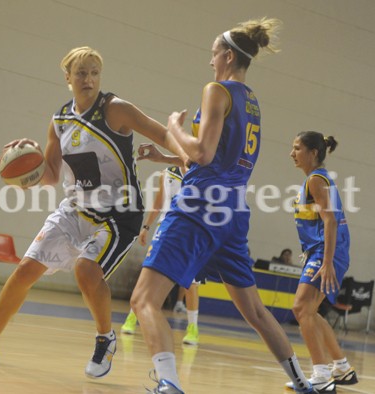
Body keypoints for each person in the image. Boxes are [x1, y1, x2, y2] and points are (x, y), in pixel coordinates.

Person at [0, 46, 185, 379]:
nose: (88, 79)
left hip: (119, 214)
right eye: (81, 73)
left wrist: (186, 155)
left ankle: (105, 338)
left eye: (94, 72)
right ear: (68, 78)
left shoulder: (115, 109)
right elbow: (49, 174)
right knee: (24, 271)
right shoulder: (59, 121)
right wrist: (26, 168)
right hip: (75, 209)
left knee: (86, 271)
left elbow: (162, 133)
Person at [130, 18, 319, 394]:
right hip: (232, 211)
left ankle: (169, 384)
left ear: (228, 56)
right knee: (255, 312)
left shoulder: (216, 90)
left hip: (199, 207)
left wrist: (172, 128)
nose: (210, 62)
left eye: (213, 54)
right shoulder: (253, 102)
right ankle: (302, 382)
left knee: (143, 300)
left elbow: (201, 152)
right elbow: (214, 161)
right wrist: (166, 157)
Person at [285, 131, 358, 392]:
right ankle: (340, 367)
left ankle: (321, 375)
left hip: (327, 253)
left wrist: (326, 262)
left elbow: (330, 220)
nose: (292, 153)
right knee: (310, 311)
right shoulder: (316, 180)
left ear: (313, 153)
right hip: (323, 252)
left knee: (301, 309)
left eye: (297, 148)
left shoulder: (316, 180)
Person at [121, 165, 202, 346]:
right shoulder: (167, 173)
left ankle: (193, 329)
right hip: (165, 228)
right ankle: (132, 318)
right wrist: (146, 227)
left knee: (191, 283)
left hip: (191, 232)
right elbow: (159, 203)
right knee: (148, 275)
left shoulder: (202, 173)